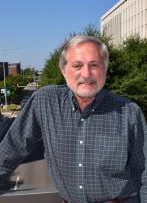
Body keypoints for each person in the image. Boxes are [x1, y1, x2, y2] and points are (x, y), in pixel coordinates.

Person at [0, 35, 147, 203]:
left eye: (94, 65)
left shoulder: (129, 112)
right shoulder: (45, 102)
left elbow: (144, 170)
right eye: (77, 65)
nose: (86, 74)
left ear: (104, 69)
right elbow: (11, 148)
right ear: (63, 70)